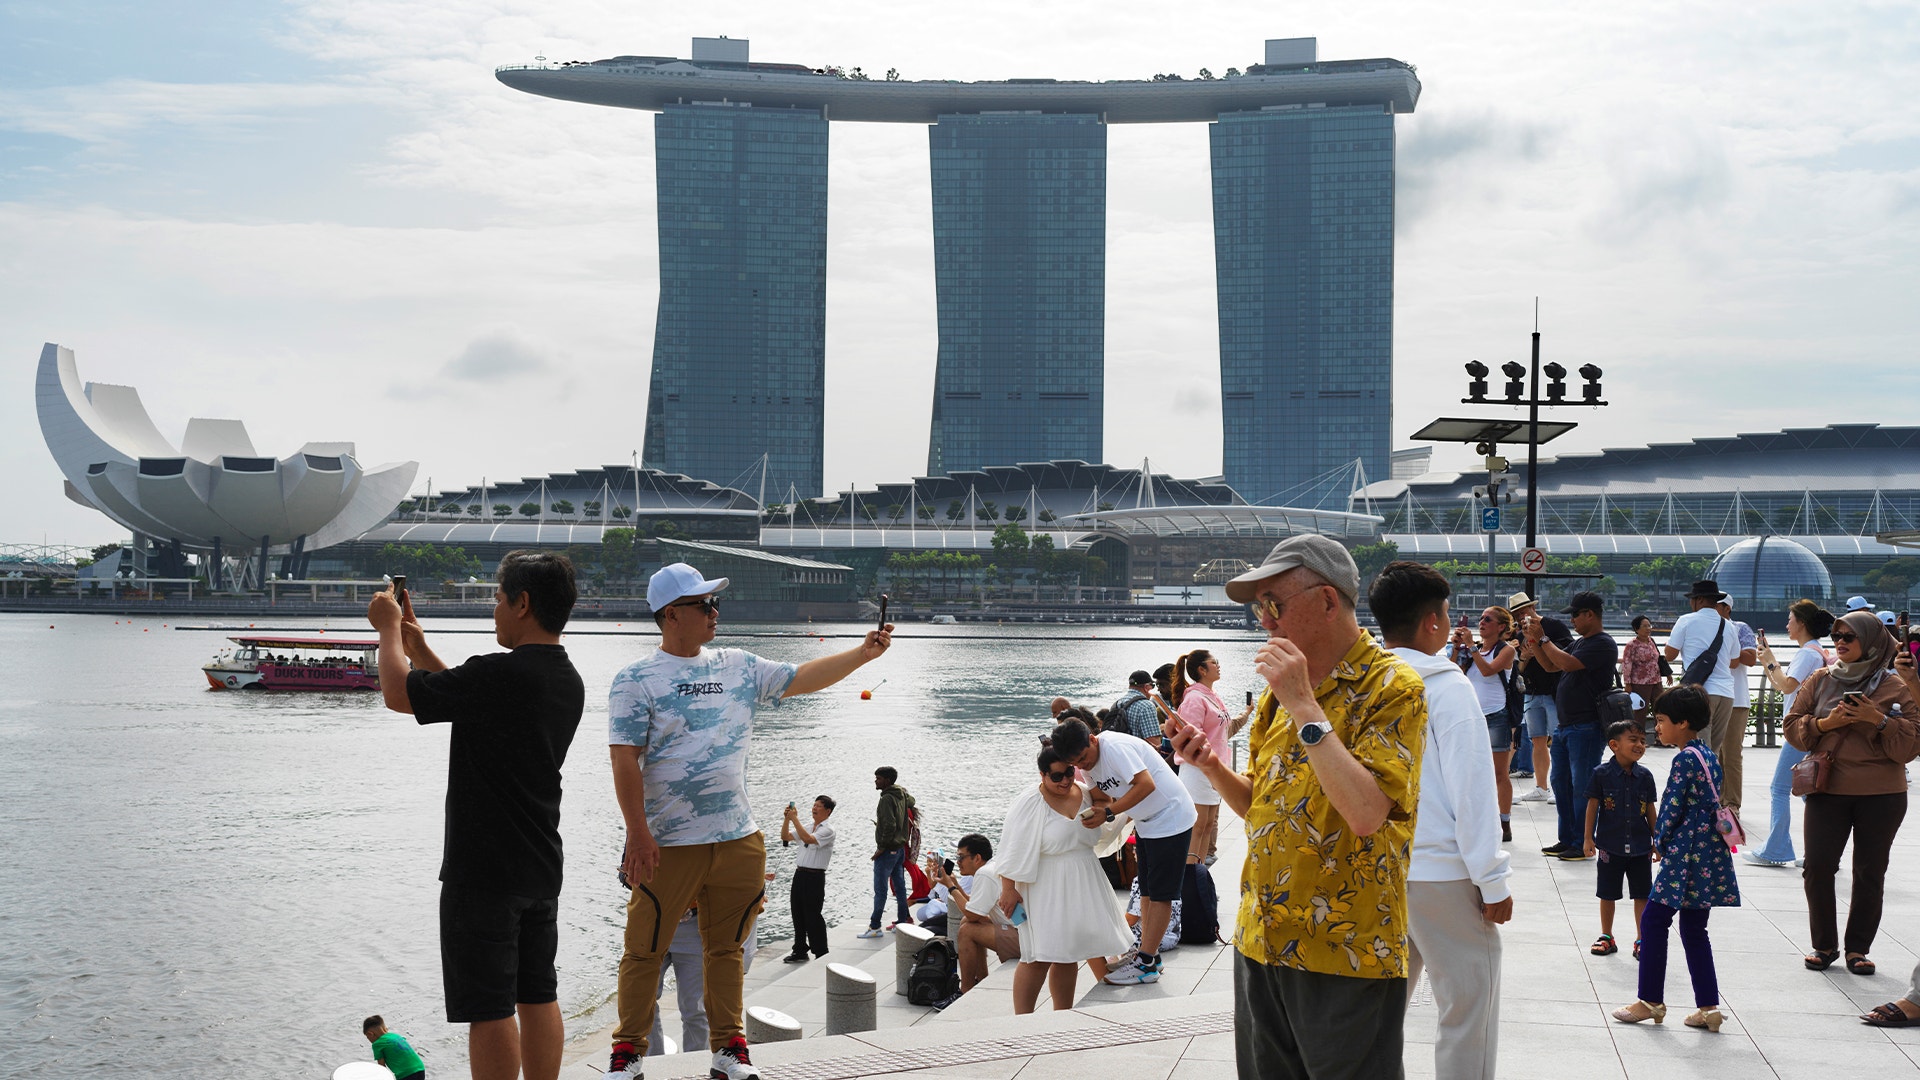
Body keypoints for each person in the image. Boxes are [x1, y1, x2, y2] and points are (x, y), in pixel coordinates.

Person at [604, 561, 893, 1080]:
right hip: (669, 842)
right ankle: (627, 1053)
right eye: (703, 604)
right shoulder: (635, 679)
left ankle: (728, 1050)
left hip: (738, 837)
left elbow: (800, 679)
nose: (715, 612)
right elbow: (624, 758)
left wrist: (862, 653)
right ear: (670, 615)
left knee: (727, 950)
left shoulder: (736, 664)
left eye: (715, 603)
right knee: (644, 947)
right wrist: (637, 834)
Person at [1170, 534, 1428, 1079]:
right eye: (1257, 607)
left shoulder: (1393, 687)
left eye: (1273, 604)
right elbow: (1264, 808)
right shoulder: (1275, 695)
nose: (1263, 620)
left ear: (1328, 601)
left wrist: (1305, 706)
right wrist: (1212, 767)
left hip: (1346, 946)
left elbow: (1366, 813)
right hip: (1263, 939)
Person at [367, 551, 584, 1080]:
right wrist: (419, 648)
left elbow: (397, 694)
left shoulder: (499, 673)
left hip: (483, 869)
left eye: (497, 596)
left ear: (523, 603)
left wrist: (388, 631)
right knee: (538, 993)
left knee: (488, 1006)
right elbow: (474, 703)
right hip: (539, 863)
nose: (493, 608)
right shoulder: (565, 678)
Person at [1371, 561, 1512, 1080]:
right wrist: (1492, 878)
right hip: (1442, 874)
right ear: (1433, 622)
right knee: (1468, 1009)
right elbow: (1472, 790)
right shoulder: (1447, 688)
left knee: (1380, 1013)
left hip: (1380, 871)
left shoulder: (1365, 684)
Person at [1782, 609, 1920, 977]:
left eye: (1849, 637)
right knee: (1817, 868)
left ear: (1872, 642)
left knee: (1869, 872)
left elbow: (1910, 747)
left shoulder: (1897, 685)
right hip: (1828, 790)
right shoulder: (1820, 679)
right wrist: (1829, 723)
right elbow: (1793, 727)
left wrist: (1878, 721)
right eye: (1836, 636)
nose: (1840, 642)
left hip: (1883, 795)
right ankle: (1824, 944)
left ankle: (1858, 949)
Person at [1612, 686, 1738, 1033]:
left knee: (1653, 922)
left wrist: (1660, 840)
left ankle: (1649, 1000)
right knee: (1695, 929)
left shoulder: (1683, 759)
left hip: (1687, 853)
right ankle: (1708, 1008)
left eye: (1663, 720)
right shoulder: (1708, 754)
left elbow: (1671, 807)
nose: (1658, 727)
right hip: (1710, 851)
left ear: (1683, 723)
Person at [1047, 716, 1196, 986]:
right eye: (1076, 764)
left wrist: (1108, 812)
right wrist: (1092, 812)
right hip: (1146, 822)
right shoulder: (1088, 763)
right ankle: (1149, 956)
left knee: (1162, 895)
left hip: (1170, 817)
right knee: (1148, 892)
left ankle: (1147, 964)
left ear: (1093, 739)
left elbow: (1146, 784)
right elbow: (1102, 798)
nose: (1083, 766)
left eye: (1084, 758)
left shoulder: (1115, 748)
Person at [994, 744, 1133, 1013]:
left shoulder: (1084, 794)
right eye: (1056, 776)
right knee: (1038, 956)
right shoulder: (1030, 802)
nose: (1065, 780)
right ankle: (1021, 1021)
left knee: (1068, 955)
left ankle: (1062, 1016)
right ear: (1042, 775)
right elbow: (1011, 846)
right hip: (1046, 884)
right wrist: (1008, 888)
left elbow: (1113, 803)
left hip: (1084, 878)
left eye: (1069, 772)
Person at [1524, 591, 1619, 862]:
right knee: (1561, 783)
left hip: (1586, 726)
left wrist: (1543, 638)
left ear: (1590, 614)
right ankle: (1567, 839)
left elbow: (1566, 663)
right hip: (1566, 726)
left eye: (1575, 615)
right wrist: (1535, 643)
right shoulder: (1581, 643)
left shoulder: (1602, 643)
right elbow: (1551, 665)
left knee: (1582, 786)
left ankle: (1582, 841)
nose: (1573, 620)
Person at [1747, 600, 1835, 866]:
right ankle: (1823, 849)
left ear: (1802, 624)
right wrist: (1767, 660)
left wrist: (1770, 661)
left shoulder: (1808, 654)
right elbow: (1783, 686)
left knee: (1780, 788)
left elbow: (1786, 686)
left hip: (1799, 728)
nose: (1787, 625)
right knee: (1809, 790)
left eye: (1790, 619)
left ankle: (1777, 849)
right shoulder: (1816, 651)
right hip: (1807, 726)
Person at [1170, 649, 1253, 865]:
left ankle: (1198, 874)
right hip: (1197, 770)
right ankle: (1188, 879)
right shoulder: (1195, 699)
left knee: (1207, 825)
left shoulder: (1212, 697)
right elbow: (1189, 736)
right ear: (1201, 669)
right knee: (1197, 826)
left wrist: (1246, 713)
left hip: (1213, 769)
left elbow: (1223, 731)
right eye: (1214, 662)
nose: (1218, 665)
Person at [1584, 719, 1658, 959]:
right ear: (1614, 745)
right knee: (1607, 892)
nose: (1639, 745)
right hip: (1609, 846)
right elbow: (1592, 807)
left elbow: (1650, 810)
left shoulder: (1645, 776)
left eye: (1643, 741)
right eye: (1633, 740)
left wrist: (1657, 841)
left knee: (1642, 894)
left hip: (1640, 847)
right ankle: (1607, 936)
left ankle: (1642, 939)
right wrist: (1588, 838)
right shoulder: (1601, 774)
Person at [1448, 605, 1521, 842]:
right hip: (1471, 717)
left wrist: (1470, 647)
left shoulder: (1506, 650)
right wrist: (1457, 648)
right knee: (1470, 771)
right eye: (1480, 618)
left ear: (1501, 627)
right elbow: (1453, 672)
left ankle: (1505, 822)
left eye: (1487, 619)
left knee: (1499, 773)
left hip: (1496, 717)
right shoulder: (1474, 650)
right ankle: (1475, 819)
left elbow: (1489, 671)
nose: (1481, 622)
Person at [1662, 580, 1737, 766]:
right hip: (1726, 693)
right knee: (1714, 752)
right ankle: (1713, 794)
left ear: (1700, 600)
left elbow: (1669, 655)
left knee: (1699, 750)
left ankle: (1701, 794)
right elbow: (1734, 660)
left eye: (1692, 599)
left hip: (1700, 693)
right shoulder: (1728, 626)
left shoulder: (1686, 620)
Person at [1508, 592, 1569, 795]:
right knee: (1537, 740)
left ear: (1532, 608)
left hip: (1554, 691)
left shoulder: (1553, 626)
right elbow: (1520, 670)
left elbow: (1566, 655)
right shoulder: (1519, 635)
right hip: (1532, 693)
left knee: (1559, 739)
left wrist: (1540, 640)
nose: (1520, 618)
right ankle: (1541, 787)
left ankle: (1562, 787)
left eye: (1523, 612)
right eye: (1516, 615)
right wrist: (1524, 657)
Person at [953, 839, 1023, 993]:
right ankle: (981, 979)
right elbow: (975, 909)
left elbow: (972, 915)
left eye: (960, 857)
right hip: (1022, 927)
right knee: (968, 922)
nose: (957, 862)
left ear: (977, 858)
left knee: (967, 931)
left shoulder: (984, 874)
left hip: (1024, 938)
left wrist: (951, 888)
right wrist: (955, 885)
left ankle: (965, 990)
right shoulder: (993, 866)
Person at [1712, 596, 1760, 817]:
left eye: (1714, 605)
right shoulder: (1705, 627)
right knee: (1713, 753)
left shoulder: (1740, 627)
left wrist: (1727, 648)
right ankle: (1715, 800)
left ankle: (1732, 803)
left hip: (1736, 698)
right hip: (1711, 696)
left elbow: (1751, 658)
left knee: (1730, 754)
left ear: (1726, 608)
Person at [858, 767, 916, 938]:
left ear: (887, 781)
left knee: (880, 890)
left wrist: (881, 847)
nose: (875, 781)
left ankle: (875, 926)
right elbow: (912, 801)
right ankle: (902, 921)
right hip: (899, 850)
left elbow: (889, 825)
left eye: (879, 778)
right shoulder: (901, 794)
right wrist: (903, 791)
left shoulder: (886, 799)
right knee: (900, 887)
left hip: (888, 850)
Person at [781, 795, 837, 963]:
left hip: (814, 877)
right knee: (797, 913)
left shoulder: (827, 829)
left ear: (827, 811)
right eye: (814, 805)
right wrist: (787, 820)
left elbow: (808, 839)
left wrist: (795, 819)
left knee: (813, 915)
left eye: (819, 806)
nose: (814, 808)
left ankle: (821, 951)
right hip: (800, 874)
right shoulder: (808, 826)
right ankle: (800, 950)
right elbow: (785, 837)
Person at [1622, 616, 1665, 733]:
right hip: (1640, 682)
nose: (1648, 628)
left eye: (1649, 625)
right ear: (1636, 629)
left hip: (1656, 680)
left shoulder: (1652, 641)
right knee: (1640, 711)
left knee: (1660, 709)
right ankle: (1638, 737)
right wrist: (1628, 683)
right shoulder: (1632, 645)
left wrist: (1668, 674)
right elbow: (1627, 664)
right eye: (1644, 626)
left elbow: (1658, 660)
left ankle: (1661, 737)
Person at [364, 1015, 426, 1080]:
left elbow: (382, 1068)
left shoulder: (377, 1044)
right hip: (420, 1068)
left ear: (370, 1034)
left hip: (405, 1074)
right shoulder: (395, 1036)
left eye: (367, 1037)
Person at [1114, 670, 1163, 743]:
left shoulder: (1118, 703)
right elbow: (1155, 742)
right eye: (1152, 686)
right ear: (1146, 687)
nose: (1153, 689)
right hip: (1138, 753)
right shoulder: (1146, 706)